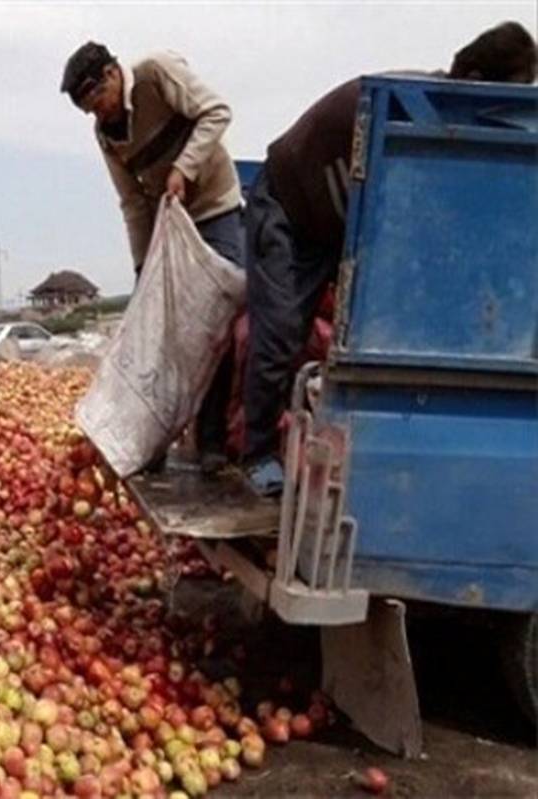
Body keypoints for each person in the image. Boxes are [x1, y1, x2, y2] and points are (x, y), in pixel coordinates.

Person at [241, 21, 537, 496]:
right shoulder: (406, 105)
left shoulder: (454, 127)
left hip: (331, 227)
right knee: (278, 333)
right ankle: (256, 455)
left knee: (315, 336)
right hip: (285, 205)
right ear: (476, 75)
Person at [61, 42, 243, 474]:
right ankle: (154, 437)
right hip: (168, 224)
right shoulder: (106, 134)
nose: (97, 113)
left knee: (216, 322)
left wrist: (185, 168)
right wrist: (144, 269)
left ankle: (213, 442)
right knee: (164, 334)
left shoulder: (156, 75)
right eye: (88, 110)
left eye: (97, 101)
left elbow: (217, 112)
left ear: (111, 75)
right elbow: (133, 203)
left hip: (214, 208)